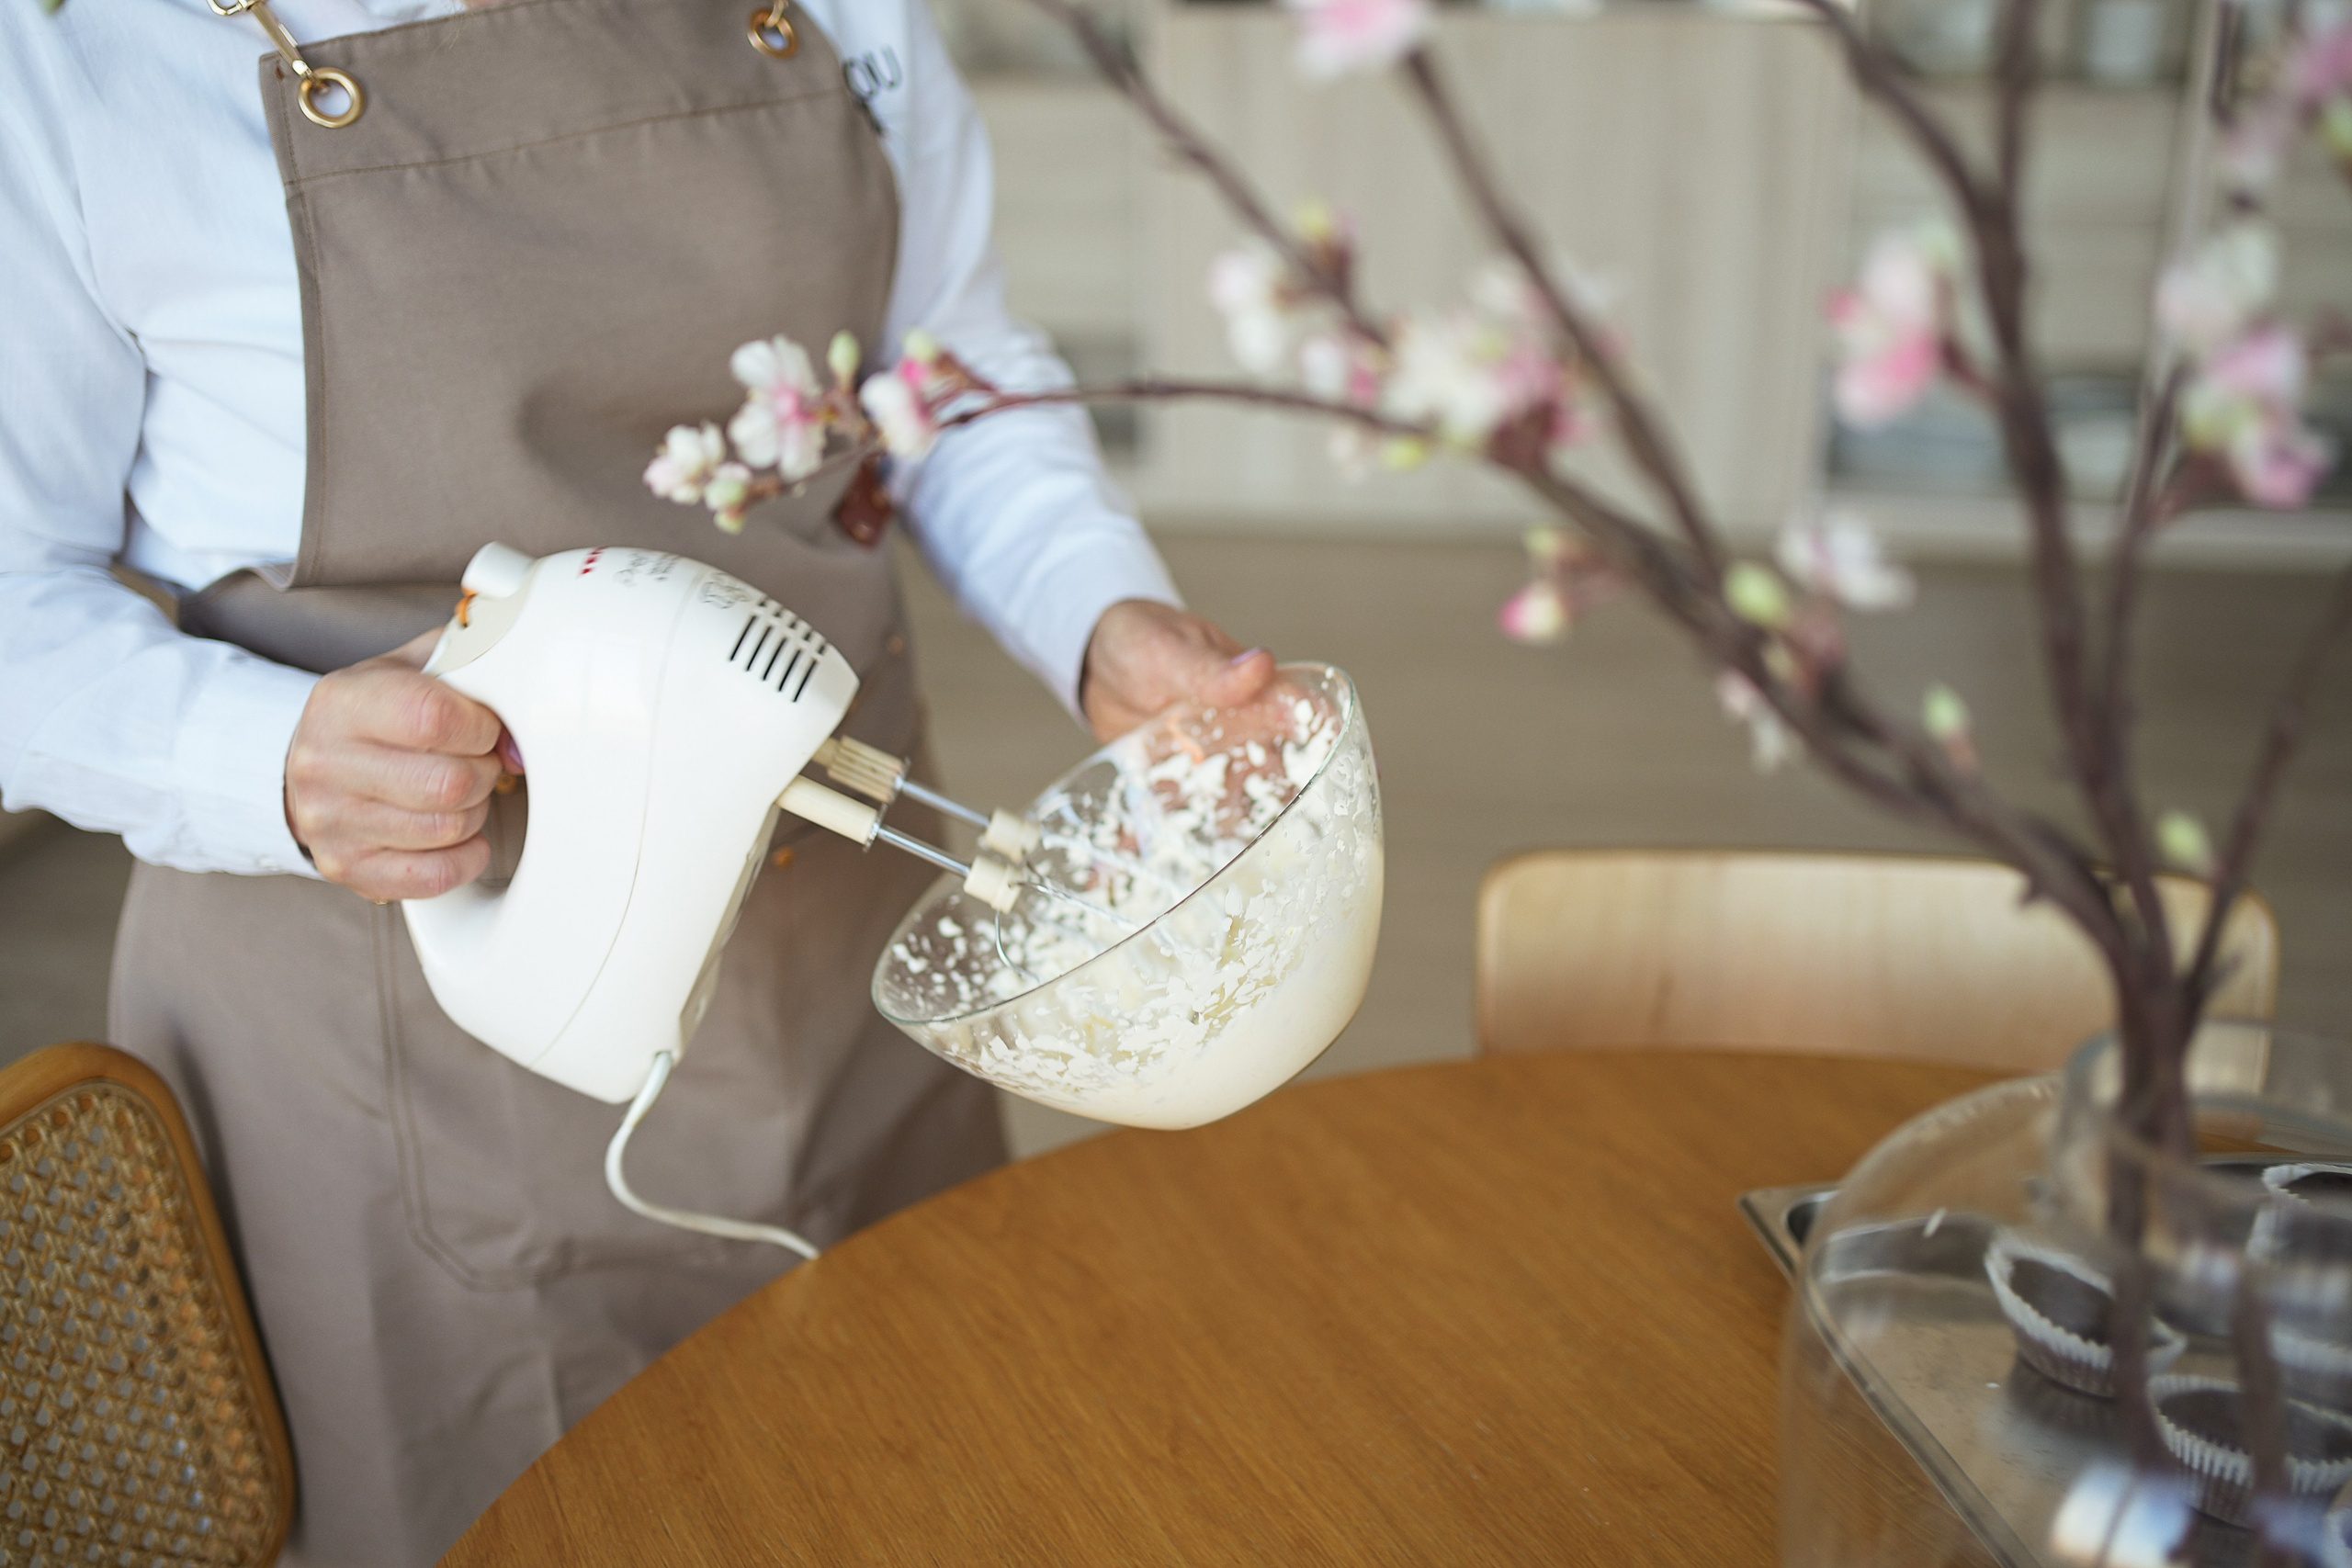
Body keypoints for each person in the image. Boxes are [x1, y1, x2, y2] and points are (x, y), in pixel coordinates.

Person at [0, 0, 1274, 1559]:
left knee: (907, 1485)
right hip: (398, 1045)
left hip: (856, 960)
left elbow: (943, 373)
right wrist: (263, 759)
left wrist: (1099, 617)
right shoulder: (78, 58)